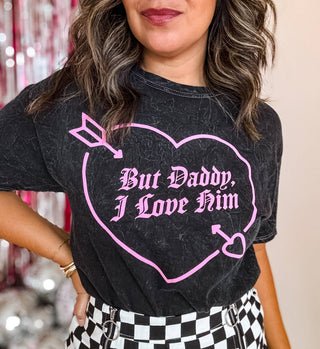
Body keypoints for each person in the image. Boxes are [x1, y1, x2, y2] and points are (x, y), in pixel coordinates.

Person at [0, 0, 291, 348]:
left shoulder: (257, 125)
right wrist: (67, 256)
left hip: (237, 334)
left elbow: (249, 247)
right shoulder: (74, 105)